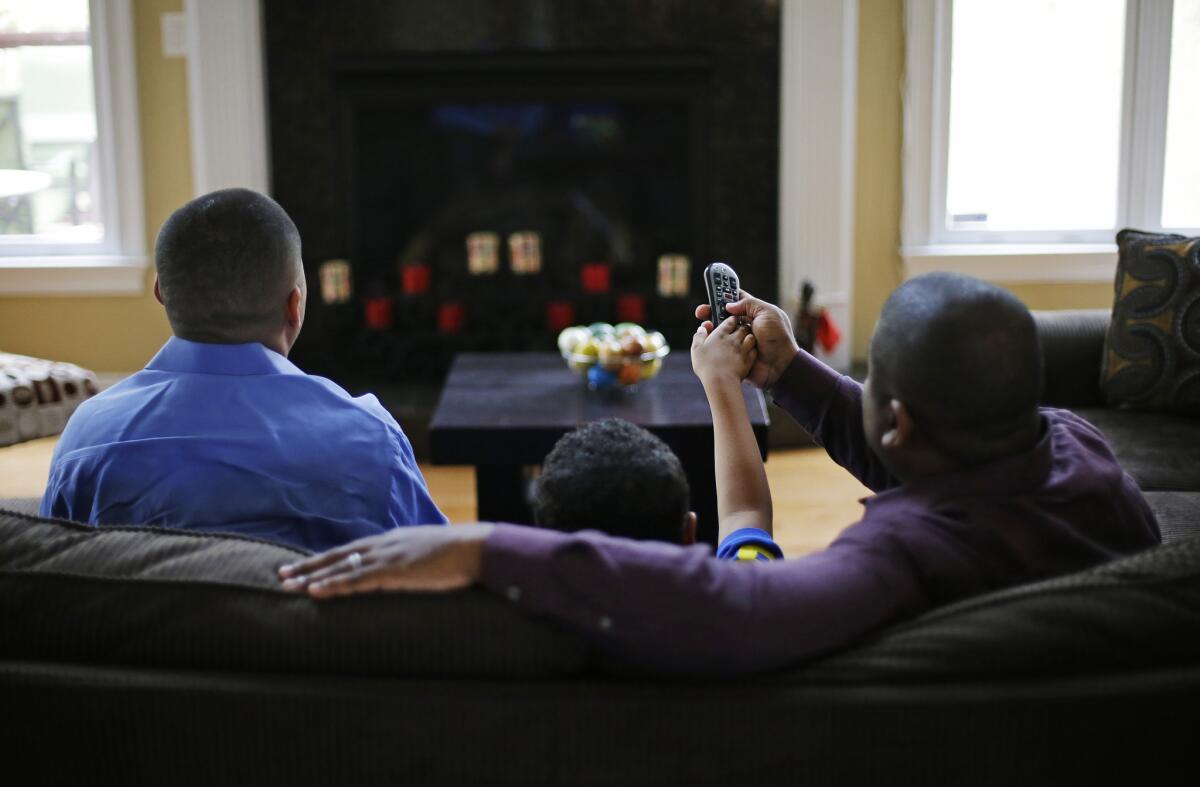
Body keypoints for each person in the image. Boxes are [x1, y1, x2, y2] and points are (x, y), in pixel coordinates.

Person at [278, 273, 1160, 674]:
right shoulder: (1076, 445)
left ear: (894, 419)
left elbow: (740, 605)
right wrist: (797, 372)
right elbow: (909, 447)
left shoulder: (905, 550)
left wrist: (485, 545)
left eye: (871, 383)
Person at [41, 188, 445, 552]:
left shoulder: (87, 437)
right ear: (295, 305)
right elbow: (435, 565)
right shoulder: (371, 437)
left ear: (161, 293)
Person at [531, 417, 782, 561]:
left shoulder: (515, 638)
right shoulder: (742, 599)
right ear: (689, 533)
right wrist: (722, 378)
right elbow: (746, 512)